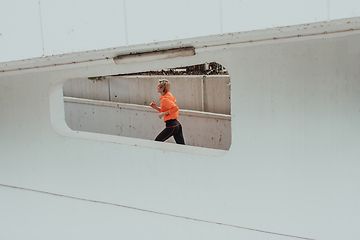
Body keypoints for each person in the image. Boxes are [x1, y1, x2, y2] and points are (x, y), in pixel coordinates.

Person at [150, 79, 185, 144]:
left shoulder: (165, 99)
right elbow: (167, 110)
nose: (157, 88)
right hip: (177, 125)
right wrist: (156, 108)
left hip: (171, 126)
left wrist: (163, 113)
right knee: (181, 146)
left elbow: (175, 108)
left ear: (162, 88)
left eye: (158, 86)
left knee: (157, 142)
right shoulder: (167, 96)